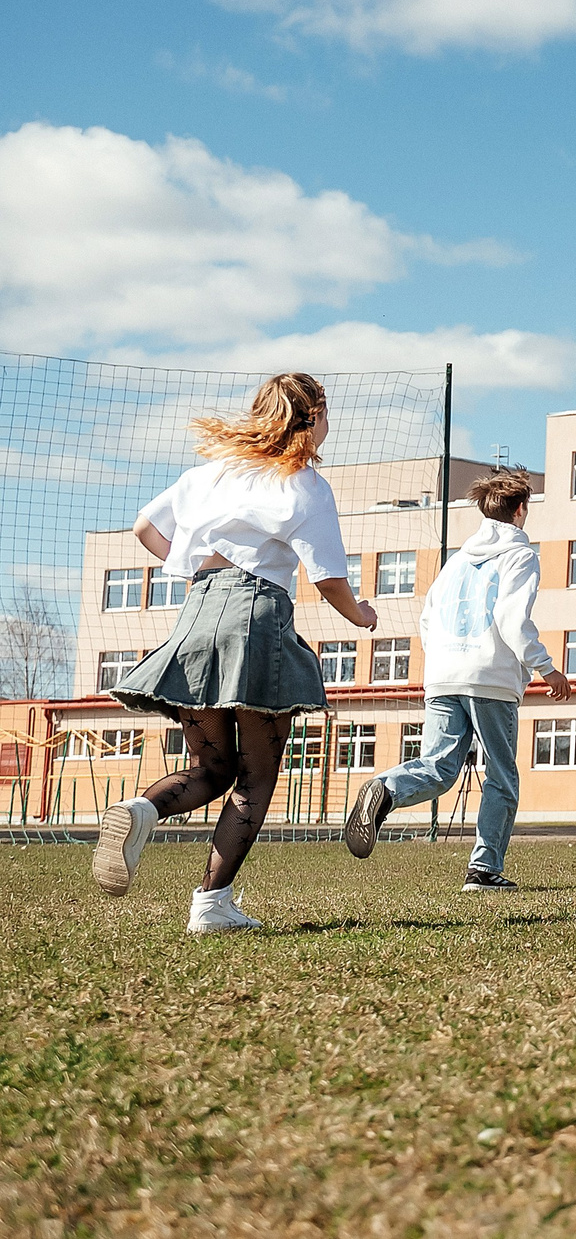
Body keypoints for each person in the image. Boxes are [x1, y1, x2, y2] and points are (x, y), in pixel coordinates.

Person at [92, 373, 377, 933]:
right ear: (312, 417)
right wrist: (361, 615)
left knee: (212, 767)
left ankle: (141, 811)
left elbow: (144, 527)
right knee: (256, 774)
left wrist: (193, 566)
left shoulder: (211, 472)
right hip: (255, 616)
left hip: (197, 609)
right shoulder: (304, 483)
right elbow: (328, 579)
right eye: (326, 415)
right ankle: (211, 905)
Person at [343, 466, 570, 886]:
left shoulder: (456, 561)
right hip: (490, 678)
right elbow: (511, 618)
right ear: (521, 510)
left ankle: (386, 788)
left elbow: (428, 618)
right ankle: (484, 869)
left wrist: (446, 662)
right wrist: (546, 668)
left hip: (443, 675)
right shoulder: (520, 555)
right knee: (501, 775)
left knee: (439, 767)